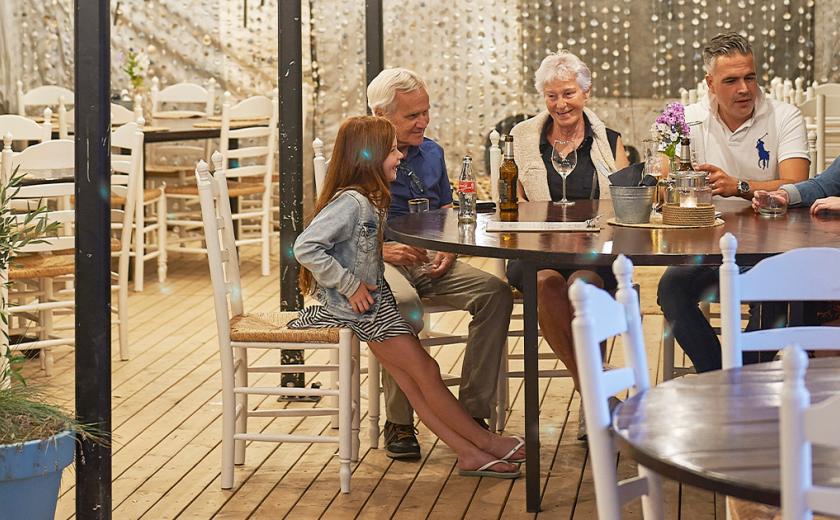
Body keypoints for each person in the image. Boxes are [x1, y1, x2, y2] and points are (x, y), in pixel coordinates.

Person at [290, 116, 524, 478]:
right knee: (425, 373)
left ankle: (469, 452)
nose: (400, 156)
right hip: (366, 311)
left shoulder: (368, 199)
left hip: (373, 307)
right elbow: (307, 247)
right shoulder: (353, 202)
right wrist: (350, 285)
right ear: (367, 157)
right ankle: (485, 444)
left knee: (417, 381)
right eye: (392, 150)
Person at [367, 68, 513, 460]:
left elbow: (447, 208)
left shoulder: (431, 152)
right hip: (381, 261)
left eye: (425, 112)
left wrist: (451, 246)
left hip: (429, 257)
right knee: (399, 304)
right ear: (382, 116)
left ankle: (470, 415)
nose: (423, 122)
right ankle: (398, 421)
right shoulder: (359, 155)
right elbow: (332, 225)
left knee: (495, 294)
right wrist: (380, 251)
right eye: (412, 116)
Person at [657, 33, 811, 373]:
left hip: (771, 246)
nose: (744, 88)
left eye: (750, 77)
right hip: (706, 247)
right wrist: (675, 178)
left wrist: (737, 186)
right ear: (710, 83)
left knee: (776, 294)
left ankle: (737, 379)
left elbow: (799, 182)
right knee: (671, 288)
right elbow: (662, 183)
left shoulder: (784, 115)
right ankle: (721, 378)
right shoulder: (686, 119)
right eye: (731, 80)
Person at [507, 51, 630, 440]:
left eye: (568, 93)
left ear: (586, 93)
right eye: (552, 96)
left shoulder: (610, 142)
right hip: (536, 248)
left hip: (593, 249)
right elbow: (517, 202)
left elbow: (623, 202)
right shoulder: (525, 140)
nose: (561, 104)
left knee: (582, 287)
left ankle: (590, 397)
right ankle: (595, 392)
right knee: (545, 283)